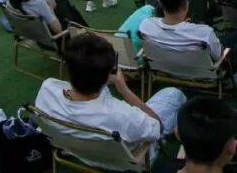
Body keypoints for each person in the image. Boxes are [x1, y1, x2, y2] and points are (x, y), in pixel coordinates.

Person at [36, 33, 185, 162]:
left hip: (79, 153)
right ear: (109, 74)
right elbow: (157, 127)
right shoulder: (123, 115)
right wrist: (124, 90)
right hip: (124, 162)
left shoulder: (47, 88)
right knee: (173, 94)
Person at [139, 0, 225, 64]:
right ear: (186, 4)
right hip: (194, 71)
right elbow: (217, 56)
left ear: (160, 3)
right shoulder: (204, 33)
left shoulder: (145, 26)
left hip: (161, 70)